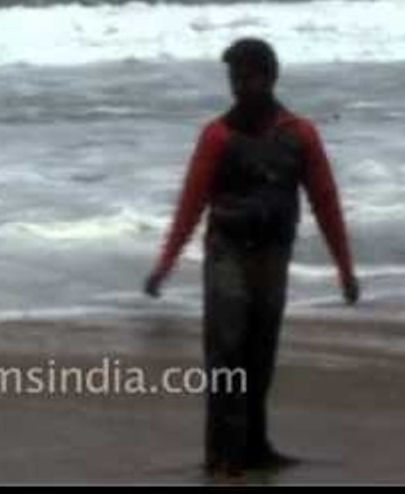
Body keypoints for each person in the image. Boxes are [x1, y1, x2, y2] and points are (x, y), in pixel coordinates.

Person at [142, 37, 360, 479]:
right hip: (227, 254)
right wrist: (165, 264)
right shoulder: (217, 136)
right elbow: (191, 205)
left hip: (273, 257)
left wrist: (345, 270)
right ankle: (222, 454)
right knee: (226, 352)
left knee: (260, 353)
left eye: (248, 78)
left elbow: (326, 203)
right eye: (234, 78)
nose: (240, 87)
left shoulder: (300, 135)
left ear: (271, 77)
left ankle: (256, 447)